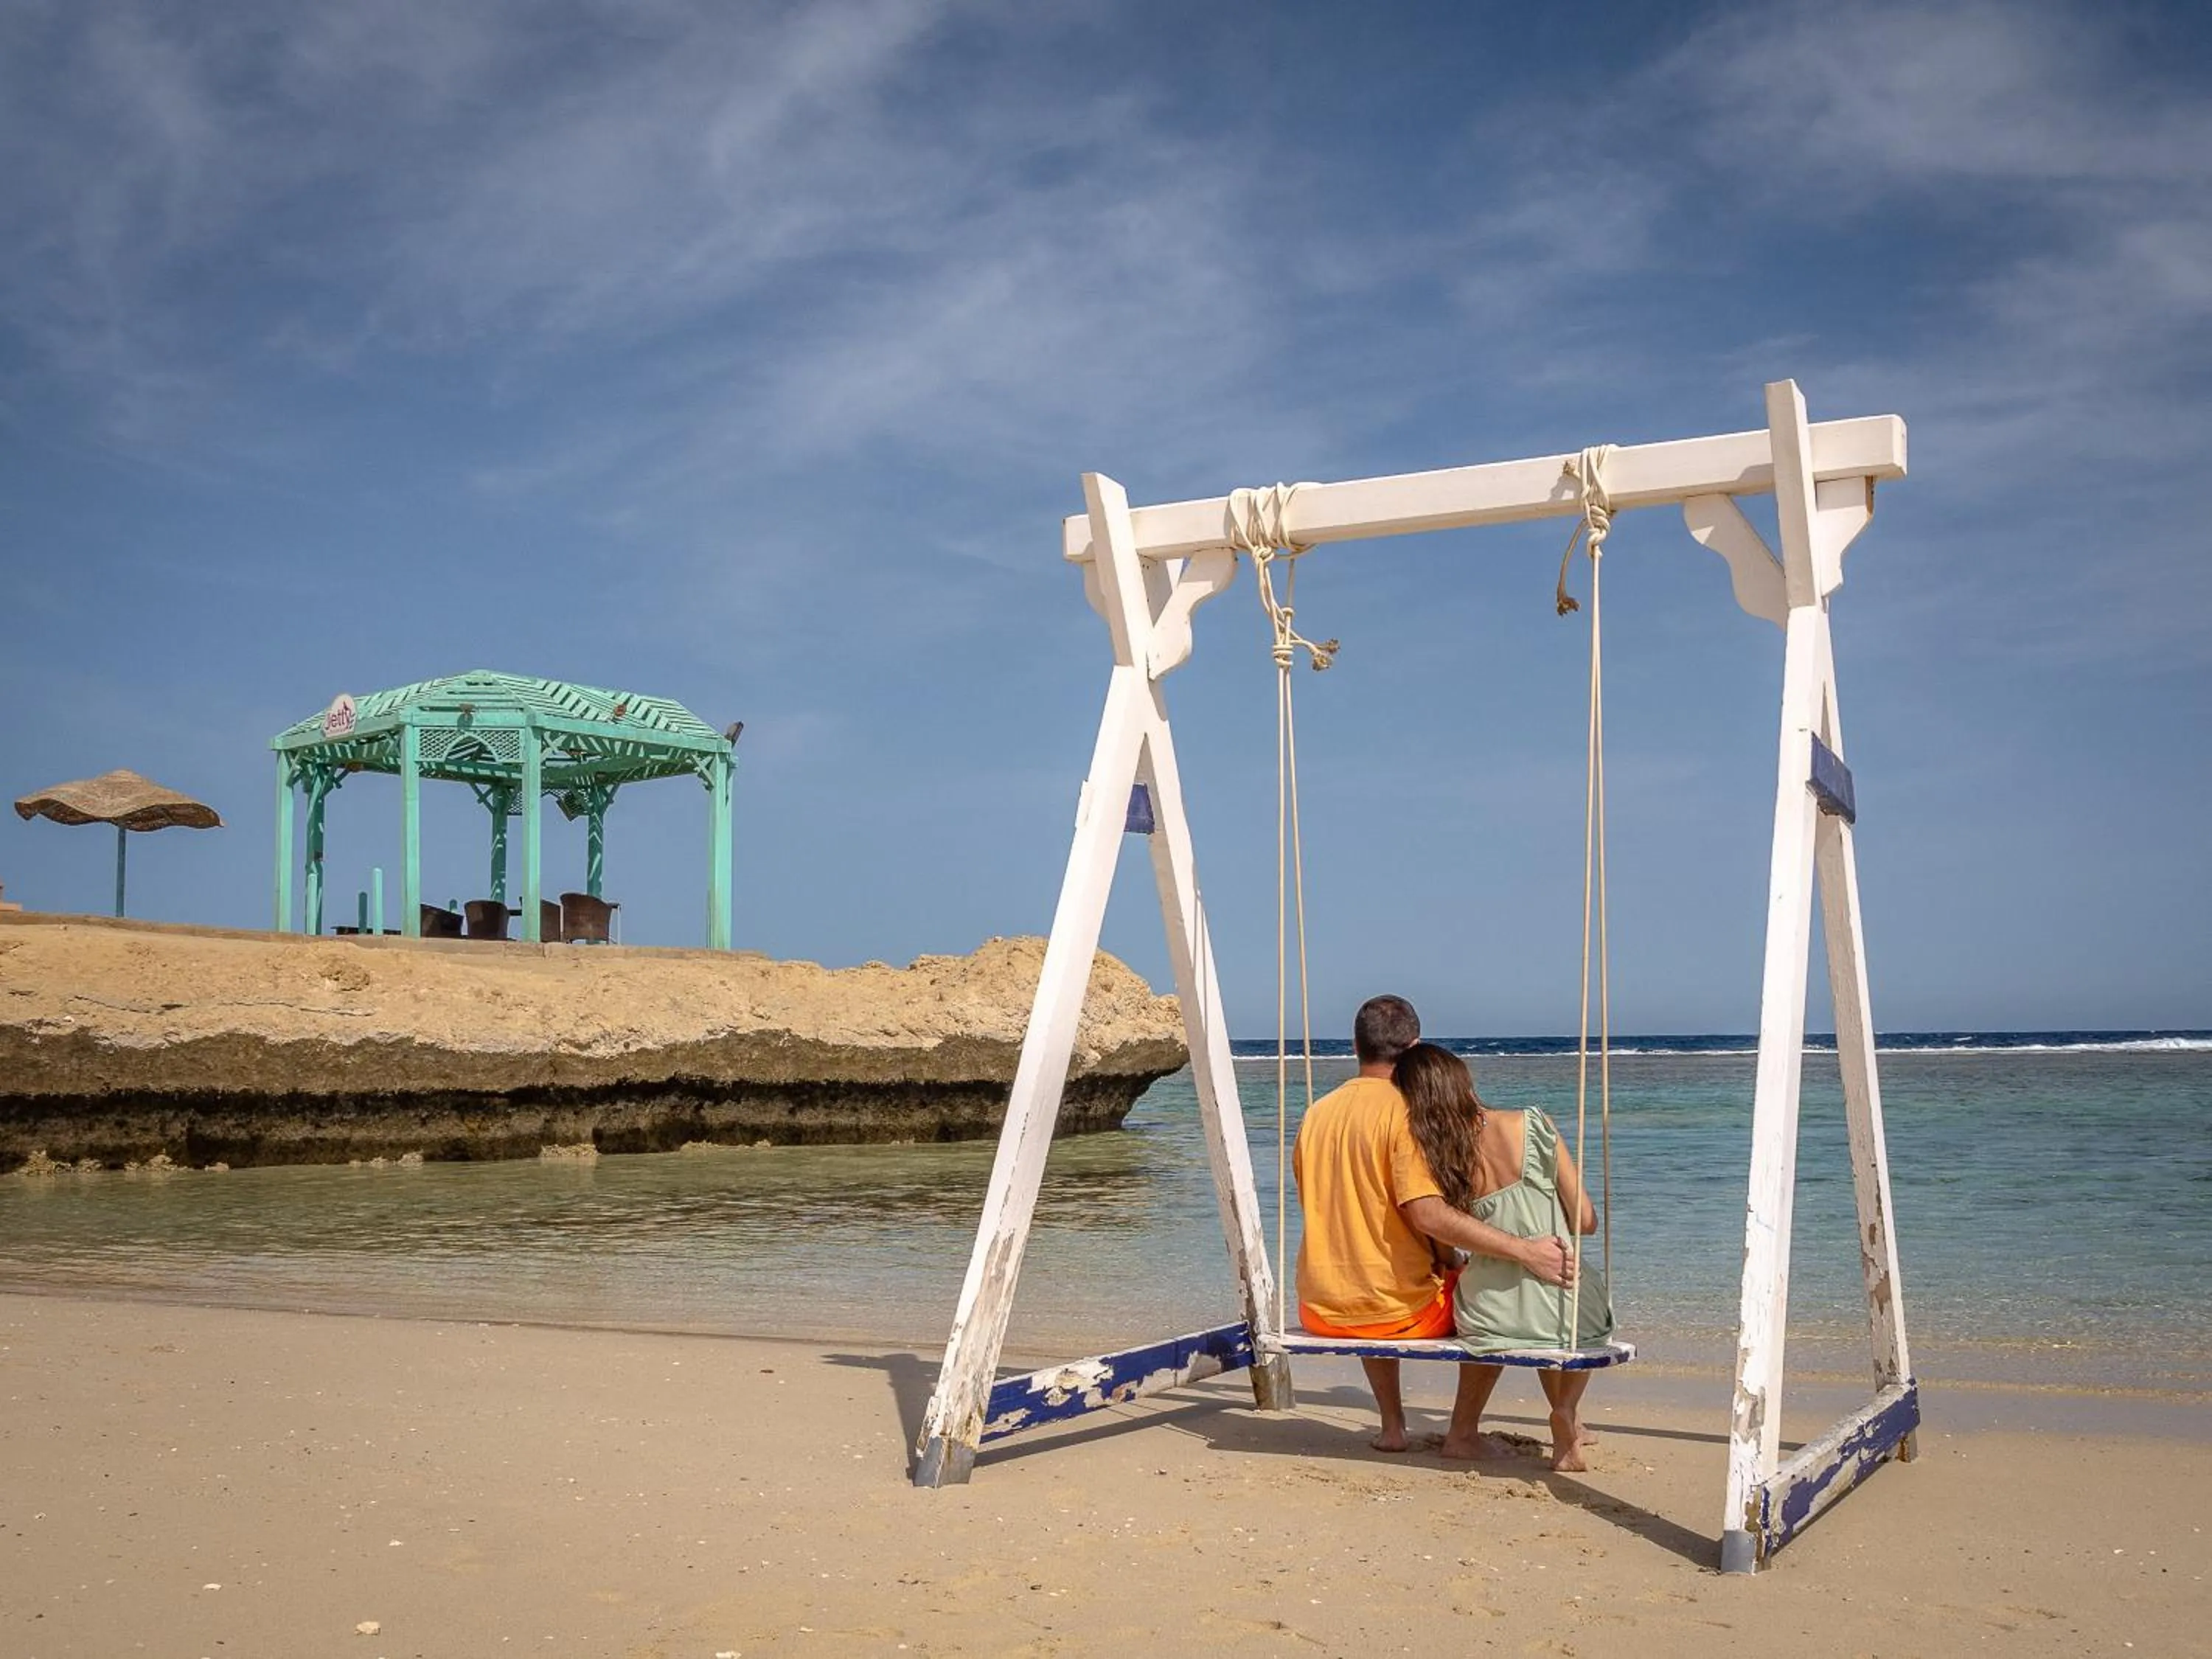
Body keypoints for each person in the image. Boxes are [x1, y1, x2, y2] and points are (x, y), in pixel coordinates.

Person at [1292, 996, 1576, 1453]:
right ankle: (1481, 1430)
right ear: (1416, 1047)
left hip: (1320, 1308)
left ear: (1356, 1045)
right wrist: (1524, 1250)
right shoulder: (1407, 1112)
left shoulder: (1316, 1114)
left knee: (1377, 1272)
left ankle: (1392, 1426)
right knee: (1497, 1287)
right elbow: (1427, 1213)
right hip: (1398, 1317)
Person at [1392, 1041, 1613, 1472]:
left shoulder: (1436, 1157)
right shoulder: (1532, 1124)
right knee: (1573, 1322)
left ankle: (1463, 1431)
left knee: (1501, 1321)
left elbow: (1438, 1229)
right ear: (1465, 1082)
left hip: (1488, 1313)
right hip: (1559, 1295)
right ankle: (1566, 1411)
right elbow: (1585, 1220)